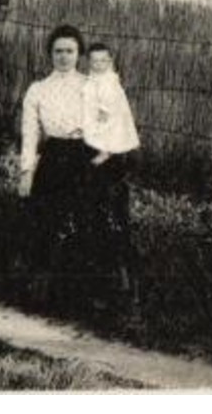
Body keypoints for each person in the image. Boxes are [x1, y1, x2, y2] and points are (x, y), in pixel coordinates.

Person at [18, 23, 93, 307]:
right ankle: (42, 293)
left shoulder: (90, 86)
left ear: (79, 53)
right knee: (46, 221)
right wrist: (27, 172)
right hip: (53, 157)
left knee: (82, 221)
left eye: (70, 51)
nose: (64, 57)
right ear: (50, 54)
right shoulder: (38, 90)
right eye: (58, 51)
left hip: (84, 157)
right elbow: (30, 133)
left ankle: (77, 294)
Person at [82, 43, 140, 301]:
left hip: (107, 142)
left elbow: (107, 114)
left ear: (110, 61)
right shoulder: (93, 80)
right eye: (93, 61)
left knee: (111, 213)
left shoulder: (109, 83)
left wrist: (95, 129)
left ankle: (121, 278)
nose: (98, 65)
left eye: (102, 61)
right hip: (94, 137)